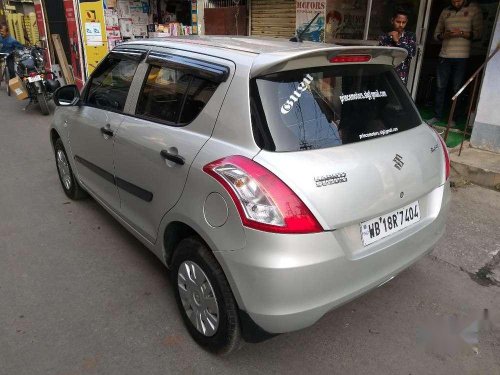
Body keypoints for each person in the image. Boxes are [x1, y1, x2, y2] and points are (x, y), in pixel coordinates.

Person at [427, 0, 482, 126]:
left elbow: (479, 34)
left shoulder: (474, 9)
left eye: (459, 0)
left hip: (462, 57)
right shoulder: (445, 11)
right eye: (454, 0)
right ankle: (437, 116)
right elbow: (436, 35)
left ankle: (453, 118)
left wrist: (461, 33)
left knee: (457, 89)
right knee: (440, 87)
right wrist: (444, 35)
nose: (456, 2)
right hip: (444, 55)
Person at [378, 9, 416, 86]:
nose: (401, 25)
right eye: (398, 22)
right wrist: (390, 37)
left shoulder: (410, 36)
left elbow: (411, 53)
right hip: (385, 74)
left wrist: (397, 41)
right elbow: (380, 55)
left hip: (401, 76)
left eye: (404, 22)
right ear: (392, 20)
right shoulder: (384, 37)